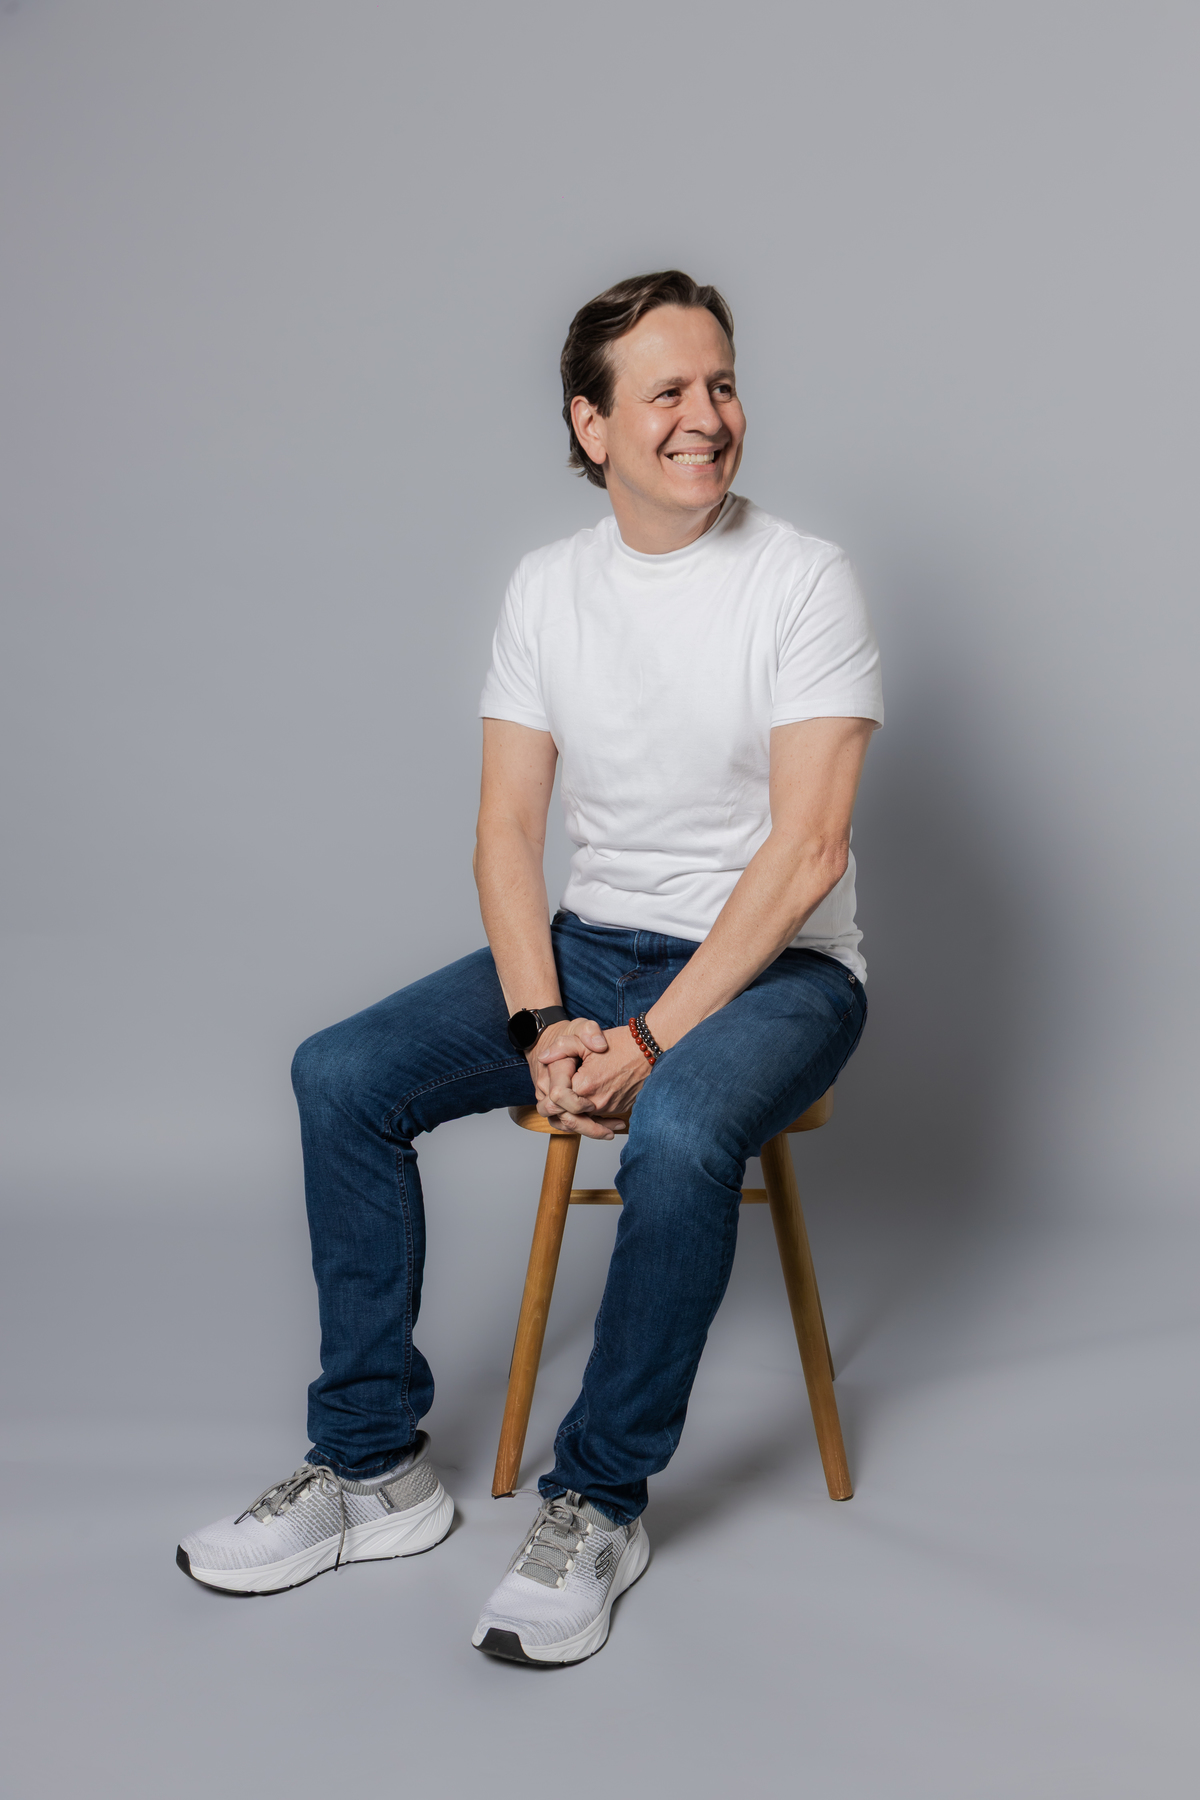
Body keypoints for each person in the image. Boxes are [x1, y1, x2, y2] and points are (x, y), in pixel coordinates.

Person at [177, 270, 884, 1664]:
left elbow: (808, 851)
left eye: (722, 383)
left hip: (781, 973)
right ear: (592, 424)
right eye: (667, 392)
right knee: (341, 1075)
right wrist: (543, 1019)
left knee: (679, 1132)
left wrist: (649, 1045)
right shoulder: (548, 588)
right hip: (591, 952)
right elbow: (506, 830)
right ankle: (370, 1470)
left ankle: (598, 1501)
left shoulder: (804, 577)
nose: (705, 416)